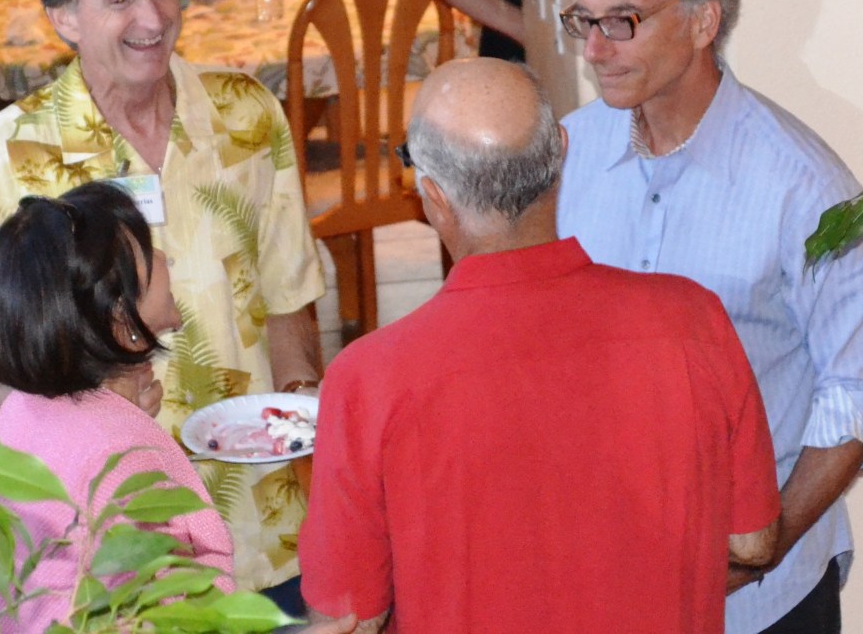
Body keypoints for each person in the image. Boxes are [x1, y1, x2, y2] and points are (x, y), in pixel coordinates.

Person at [299, 57, 781, 633]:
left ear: (433, 195)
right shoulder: (693, 320)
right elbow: (753, 542)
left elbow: (347, 618)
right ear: (561, 152)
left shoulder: (367, 378)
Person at [0, 0, 325, 603]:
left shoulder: (247, 114)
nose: (153, 17)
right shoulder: (7, 158)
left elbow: (287, 299)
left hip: (264, 525)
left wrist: (299, 411)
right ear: (64, 17)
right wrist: (101, 409)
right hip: (110, 548)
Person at [555, 0, 863, 633]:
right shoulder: (566, 152)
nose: (594, 51)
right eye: (584, 21)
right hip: (605, 572)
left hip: (762, 597)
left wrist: (764, 546)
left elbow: (857, 388)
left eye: (622, 21)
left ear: (702, 20)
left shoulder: (806, 186)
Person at [0, 182, 355, 634]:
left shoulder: (13, 417)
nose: (165, 258)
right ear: (121, 320)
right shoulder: (127, 456)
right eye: (148, 254)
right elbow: (178, 619)